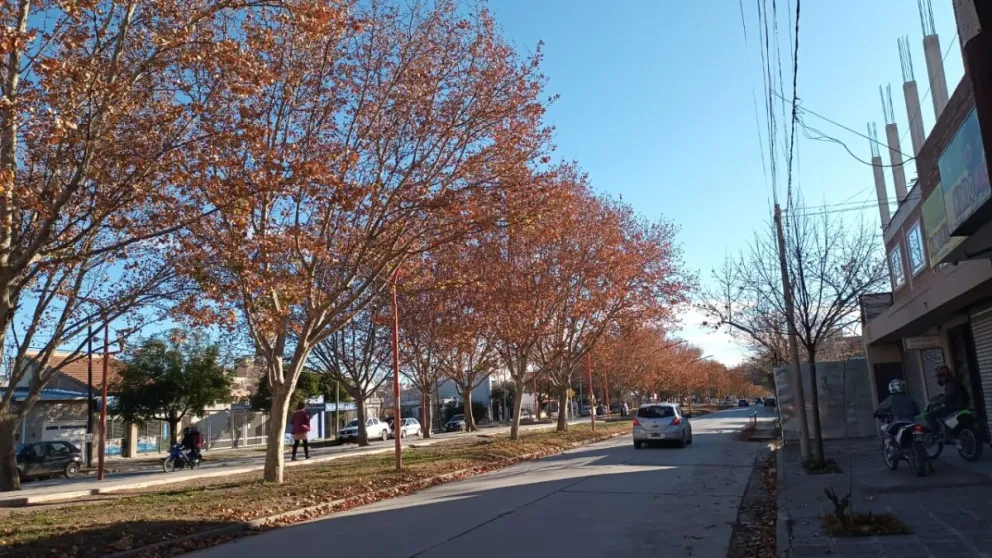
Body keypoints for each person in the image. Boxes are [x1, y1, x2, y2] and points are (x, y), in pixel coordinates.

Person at [927, 365, 970, 433]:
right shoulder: (953, 381)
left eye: (938, 377)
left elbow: (948, 397)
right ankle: (947, 431)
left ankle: (936, 434)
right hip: (959, 405)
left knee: (930, 415)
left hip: (954, 407)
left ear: (943, 376)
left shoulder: (950, 383)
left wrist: (937, 402)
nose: (938, 379)